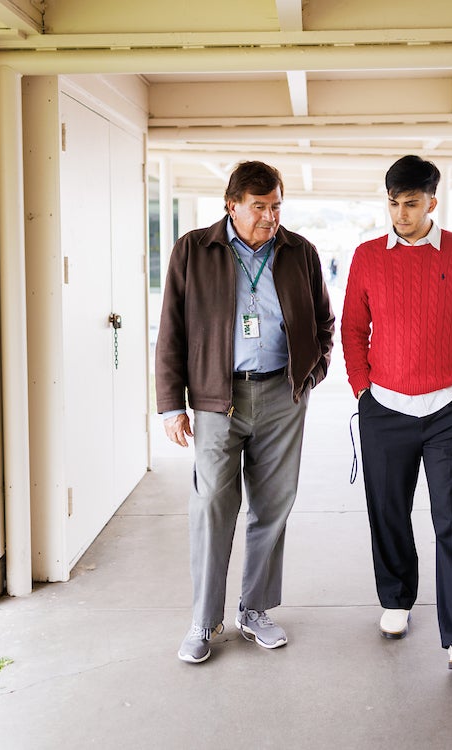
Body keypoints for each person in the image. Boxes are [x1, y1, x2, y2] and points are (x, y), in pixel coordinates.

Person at [156, 160, 334, 664]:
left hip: (282, 395)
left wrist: (312, 374)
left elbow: (324, 322)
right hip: (217, 397)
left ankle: (254, 608)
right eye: (260, 207)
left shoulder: (301, 252)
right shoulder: (194, 250)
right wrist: (172, 405)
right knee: (213, 504)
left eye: (277, 206)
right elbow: (171, 330)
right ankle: (203, 620)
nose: (270, 217)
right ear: (232, 205)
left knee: (273, 506)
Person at [341, 155, 452, 671]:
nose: (401, 213)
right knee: (388, 510)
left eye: (411, 203)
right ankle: (396, 600)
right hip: (384, 406)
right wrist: (362, 389)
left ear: (433, 201)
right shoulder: (367, 256)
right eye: (393, 203)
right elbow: (351, 330)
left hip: (451, 405)